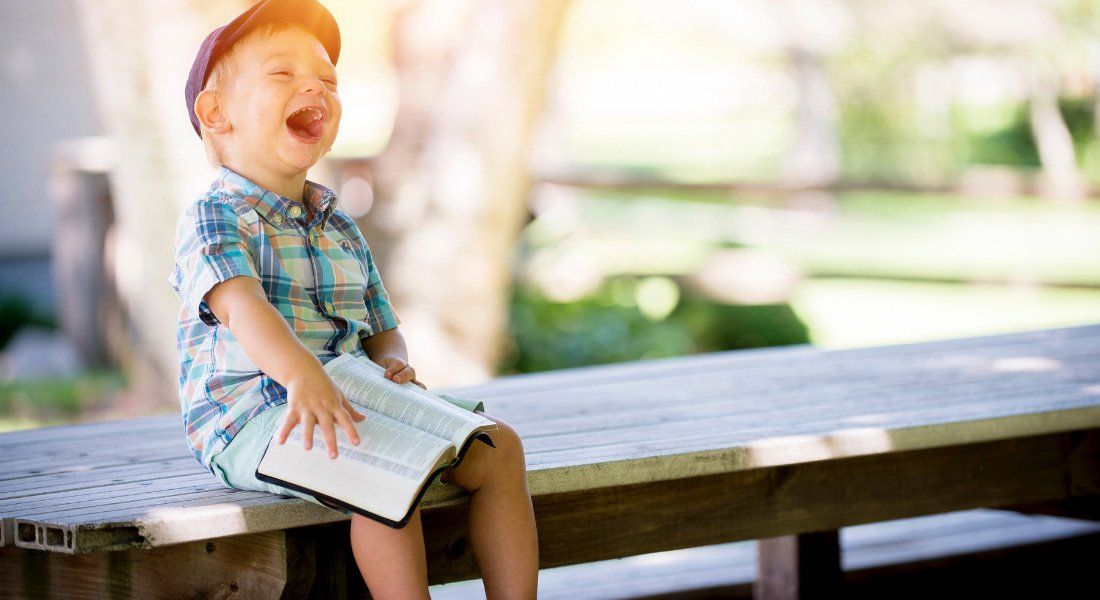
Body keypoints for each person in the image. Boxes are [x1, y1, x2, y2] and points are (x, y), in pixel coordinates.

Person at [168, 1, 538, 597]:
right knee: (384, 472)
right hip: (254, 417)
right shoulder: (214, 218)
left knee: (500, 448)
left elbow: (380, 323)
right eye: (282, 73)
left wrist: (391, 359)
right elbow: (244, 309)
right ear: (216, 113)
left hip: (348, 395)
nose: (314, 84)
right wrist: (303, 375)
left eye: (327, 79)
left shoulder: (338, 223)